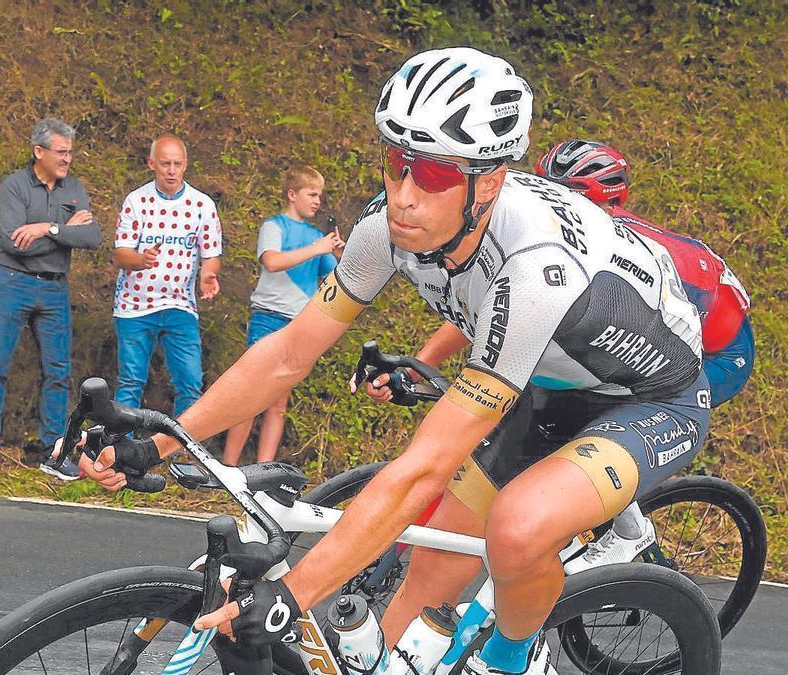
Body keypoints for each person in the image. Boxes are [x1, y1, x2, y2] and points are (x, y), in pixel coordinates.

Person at [80, 47, 713, 675]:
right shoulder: (383, 227)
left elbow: (424, 467)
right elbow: (286, 354)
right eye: (396, 162)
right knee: (426, 580)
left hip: (650, 396)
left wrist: (294, 595)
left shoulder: (534, 268)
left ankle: (513, 657)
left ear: (487, 182)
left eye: (434, 175)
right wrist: (159, 442)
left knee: (518, 530)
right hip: (546, 380)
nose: (404, 195)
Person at [534, 139, 754, 573]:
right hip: (673, 333)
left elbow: (655, 341)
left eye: (563, 197)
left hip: (719, 353)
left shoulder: (646, 251)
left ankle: (629, 534)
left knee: (611, 405)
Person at [0, 119, 100, 473]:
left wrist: (46, 227)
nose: (68, 159)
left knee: (58, 371)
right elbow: (15, 244)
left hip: (55, 286)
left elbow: (91, 237)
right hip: (13, 281)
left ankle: (53, 451)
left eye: (71, 152)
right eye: (61, 152)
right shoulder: (13, 187)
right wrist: (65, 233)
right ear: (39, 152)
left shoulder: (73, 188)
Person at [221, 165, 343, 465]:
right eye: (311, 194)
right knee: (249, 396)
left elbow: (338, 279)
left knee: (278, 403)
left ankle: (264, 473)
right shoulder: (274, 226)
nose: (317, 200)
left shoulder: (317, 237)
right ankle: (227, 468)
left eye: (320, 195)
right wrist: (317, 249)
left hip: (298, 323)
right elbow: (272, 262)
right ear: (292, 194)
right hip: (269, 316)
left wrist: (339, 252)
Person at [110, 134, 222, 418]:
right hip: (134, 306)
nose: (171, 171)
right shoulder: (136, 201)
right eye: (165, 164)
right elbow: (120, 254)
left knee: (191, 382)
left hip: (179, 305)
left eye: (177, 164)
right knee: (131, 381)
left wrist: (208, 275)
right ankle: (119, 450)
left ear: (185, 165)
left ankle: (178, 451)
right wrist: (140, 259)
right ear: (152, 164)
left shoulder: (202, 205)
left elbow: (211, 253)